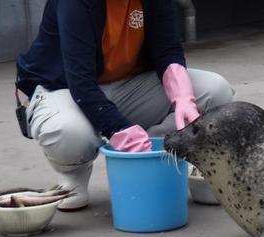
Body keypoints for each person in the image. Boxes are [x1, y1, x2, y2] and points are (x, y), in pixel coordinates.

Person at [15, 0, 235, 210]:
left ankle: (157, 152)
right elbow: (81, 83)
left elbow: (167, 50)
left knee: (215, 91)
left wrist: (183, 96)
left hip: (131, 86)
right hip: (65, 89)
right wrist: (118, 129)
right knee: (68, 132)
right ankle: (72, 177)